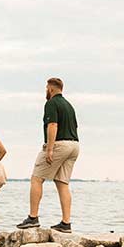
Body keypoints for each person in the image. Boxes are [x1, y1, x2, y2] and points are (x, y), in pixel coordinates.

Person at [17, 77, 79, 233]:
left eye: (46, 88)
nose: (46, 91)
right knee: (62, 182)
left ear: (51, 89)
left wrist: (50, 149)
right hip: (74, 145)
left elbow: (52, 125)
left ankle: (33, 217)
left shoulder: (51, 103)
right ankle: (66, 223)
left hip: (59, 144)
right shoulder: (69, 105)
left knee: (37, 178)